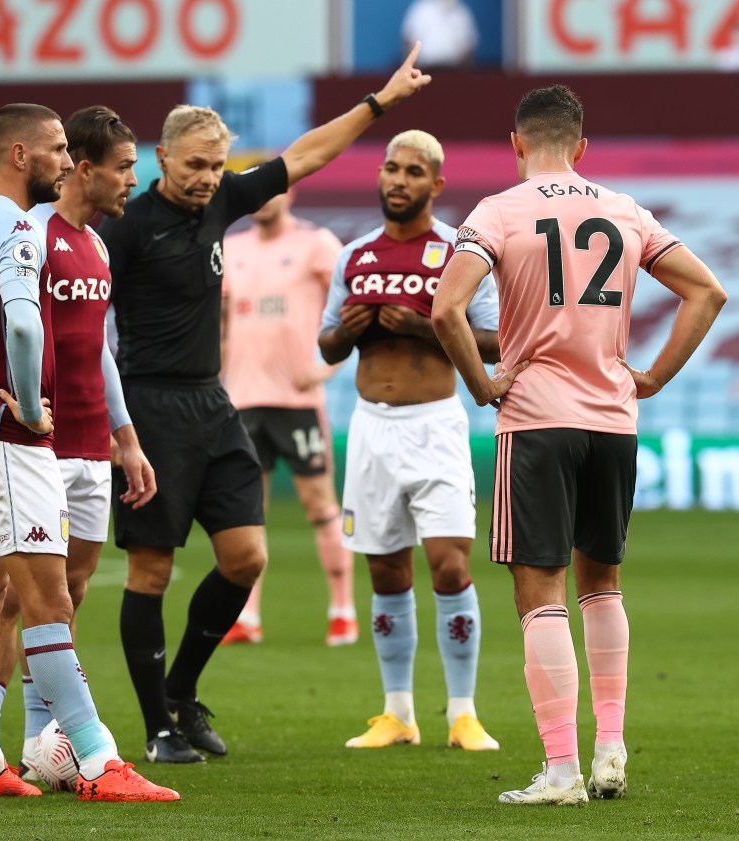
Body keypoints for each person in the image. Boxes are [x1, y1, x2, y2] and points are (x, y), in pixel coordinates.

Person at [96, 44, 432, 763]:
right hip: (149, 409)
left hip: (214, 404)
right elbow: (83, 319)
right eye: (194, 165)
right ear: (161, 156)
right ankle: (156, 727)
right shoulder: (123, 227)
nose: (206, 179)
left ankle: (182, 692)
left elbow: (305, 157)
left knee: (247, 557)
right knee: (150, 574)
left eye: (216, 167)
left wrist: (381, 103)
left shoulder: (221, 202)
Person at [432, 84, 726, 805]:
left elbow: (445, 308)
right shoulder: (626, 210)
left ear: (517, 144)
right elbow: (708, 292)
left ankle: (561, 768)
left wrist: (482, 380)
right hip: (614, 421)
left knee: (539, 589)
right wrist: (652, 374)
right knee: (604, 583)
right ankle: (611, 748)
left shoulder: (499, 211)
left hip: (537, 419)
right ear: (583, 147)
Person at [0, 102, 178, 801]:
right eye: (58, 149)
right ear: (20, 154)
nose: (67, 162)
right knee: (48, 600)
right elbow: (26, 331)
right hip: (11, 438)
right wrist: (28, 409)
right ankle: (96, 761)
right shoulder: (18, 230)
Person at [318, 129, 506, 753]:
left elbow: (497, 342)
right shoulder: (356, 255)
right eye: (391, 169)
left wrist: (428, 328)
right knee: (386, 572)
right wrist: (346, 332)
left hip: (435, 425)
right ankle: (397, 712)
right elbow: (325, 346)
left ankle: (463, 712)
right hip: (371, 427)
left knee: (450, 565)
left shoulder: (460, 252)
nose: (398, 181)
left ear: (436, 185)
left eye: (413, 172)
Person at [0, 105, 158, 776]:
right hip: (38, 445)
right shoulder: (32, 234)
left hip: (92, 447)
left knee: (74, 589)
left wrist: (127, 436)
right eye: (125, 170)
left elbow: (100, 352)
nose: (132, 183)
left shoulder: (97, 247)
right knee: (12, 595)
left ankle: (39, 743)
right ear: (85, 170)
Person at [220, 188, 356, 647]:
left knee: (320, 506)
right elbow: (218, 322)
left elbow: (352, 305)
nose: (259, 199)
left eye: (269, 189)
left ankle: (342, 610)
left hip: (296, 402)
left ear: (291, 191)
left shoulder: (316, 244)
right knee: (246, 514)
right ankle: (246, 618)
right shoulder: (231, 248)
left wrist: (327, 367)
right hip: (241, 401)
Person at [401, 0, 478, 69]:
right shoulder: (421, 9)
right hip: (424, 70)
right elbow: (409, 41)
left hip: (453, 73)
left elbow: (469, 46)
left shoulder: (462, 13)